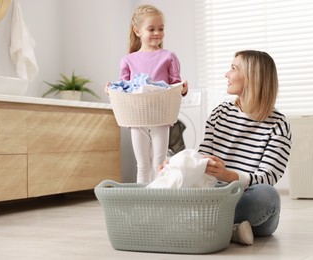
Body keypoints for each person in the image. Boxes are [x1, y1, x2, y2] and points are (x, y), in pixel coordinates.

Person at [200, 50, 292, 245]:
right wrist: (179, 165)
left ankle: (204, 224)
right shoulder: (220, 113)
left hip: (249, 200)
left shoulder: (278, 124)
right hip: (216, 195)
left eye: (233, 68)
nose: (227, 74)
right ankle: (230, 230)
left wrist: (227, 175)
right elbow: (202, 156)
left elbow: (268, 177)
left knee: (268, 196)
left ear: (252, 77)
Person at [112, 4, 188, 184]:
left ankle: (160, 201)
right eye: (151, 29)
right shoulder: (128, 60)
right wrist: (112, 88)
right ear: (137, 31)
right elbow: (124, 88)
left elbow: (175, 85)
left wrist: (183, 89)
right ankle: (143, 204)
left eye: (161, 28)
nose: (157, 33)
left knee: (159, 163)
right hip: (137, 117)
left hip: (161, 115)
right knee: (142, 164)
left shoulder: (169, 56)